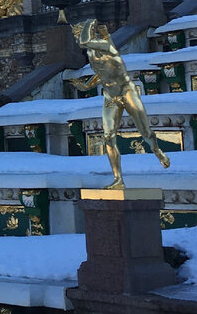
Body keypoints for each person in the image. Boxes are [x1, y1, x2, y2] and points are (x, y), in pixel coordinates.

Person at [71, 18, 170, 188]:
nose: (79, 39)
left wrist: (88, 22)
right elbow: (103, 73)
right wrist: (87, 85)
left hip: (127, 92)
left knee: (145, 132)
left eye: (80, 34)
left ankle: (157, 150)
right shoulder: (91, 53)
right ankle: (118, 179)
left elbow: (85, 42)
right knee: (108, 137)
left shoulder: (106, 46)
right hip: (110, 96)